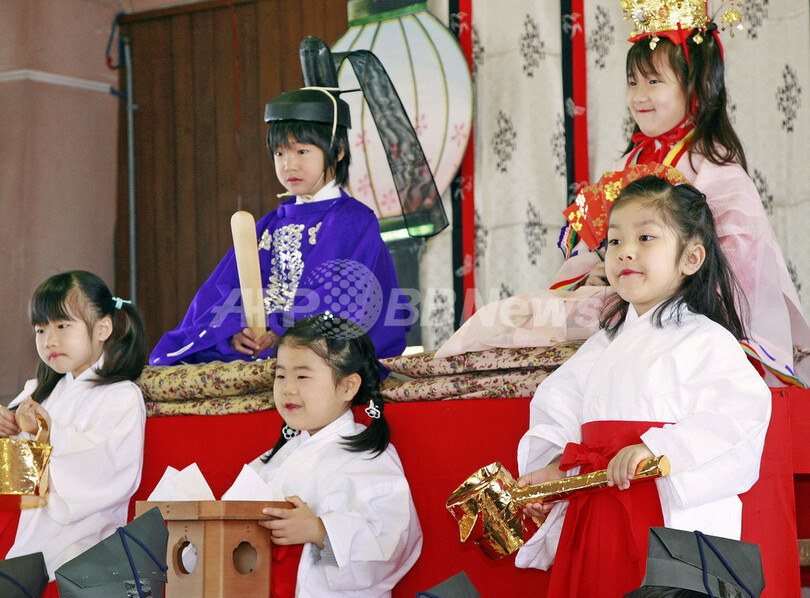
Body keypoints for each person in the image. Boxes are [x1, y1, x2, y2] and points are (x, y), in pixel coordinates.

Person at [515, 176, 771, 597]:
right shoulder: (602, 345)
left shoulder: (707, 340)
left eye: (645, 237)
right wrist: (557, 466)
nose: (625, 251)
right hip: (599, 515)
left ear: (691, 258)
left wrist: (656, 449)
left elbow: (739, 415)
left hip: (661, 516)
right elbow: (559, 409)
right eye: (615, 241)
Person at [551, 10, 810, 386]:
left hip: (688, 319)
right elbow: (594, 246)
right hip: (623, 306)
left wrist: (661, 287)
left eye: (653, 81)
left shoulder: (718, 173)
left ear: (697, 85)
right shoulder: (626, 165)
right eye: (632, 82)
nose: (638, 96)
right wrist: (595, 271)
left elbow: (738, 272)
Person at [150, 87, 410, 366]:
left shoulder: (353, 221)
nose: (289, 165)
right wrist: (236, 332)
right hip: (261, 350)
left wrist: (281, 331)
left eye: (302, 151)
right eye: (279, 153)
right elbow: (222, 292)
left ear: (338, 151)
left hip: (324, 351)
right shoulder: (268, 226)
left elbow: (341, 297)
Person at [226, 314, 421, 597]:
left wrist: (319, 532)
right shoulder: (272, 460)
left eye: (302, 376)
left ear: (348, 386)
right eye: (281, 375)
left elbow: (388, 550)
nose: (288, 388)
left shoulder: (369, 459)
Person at [0, 270, 147, 591]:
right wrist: (9, 435)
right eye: (40, 329)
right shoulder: (37, 393)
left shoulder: (121, 396)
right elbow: (19, 487)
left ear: (103, 328)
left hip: (85, 542)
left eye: (62, 326)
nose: (49, 341)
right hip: (27, 540)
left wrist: (49, 434)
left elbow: (108, 473)